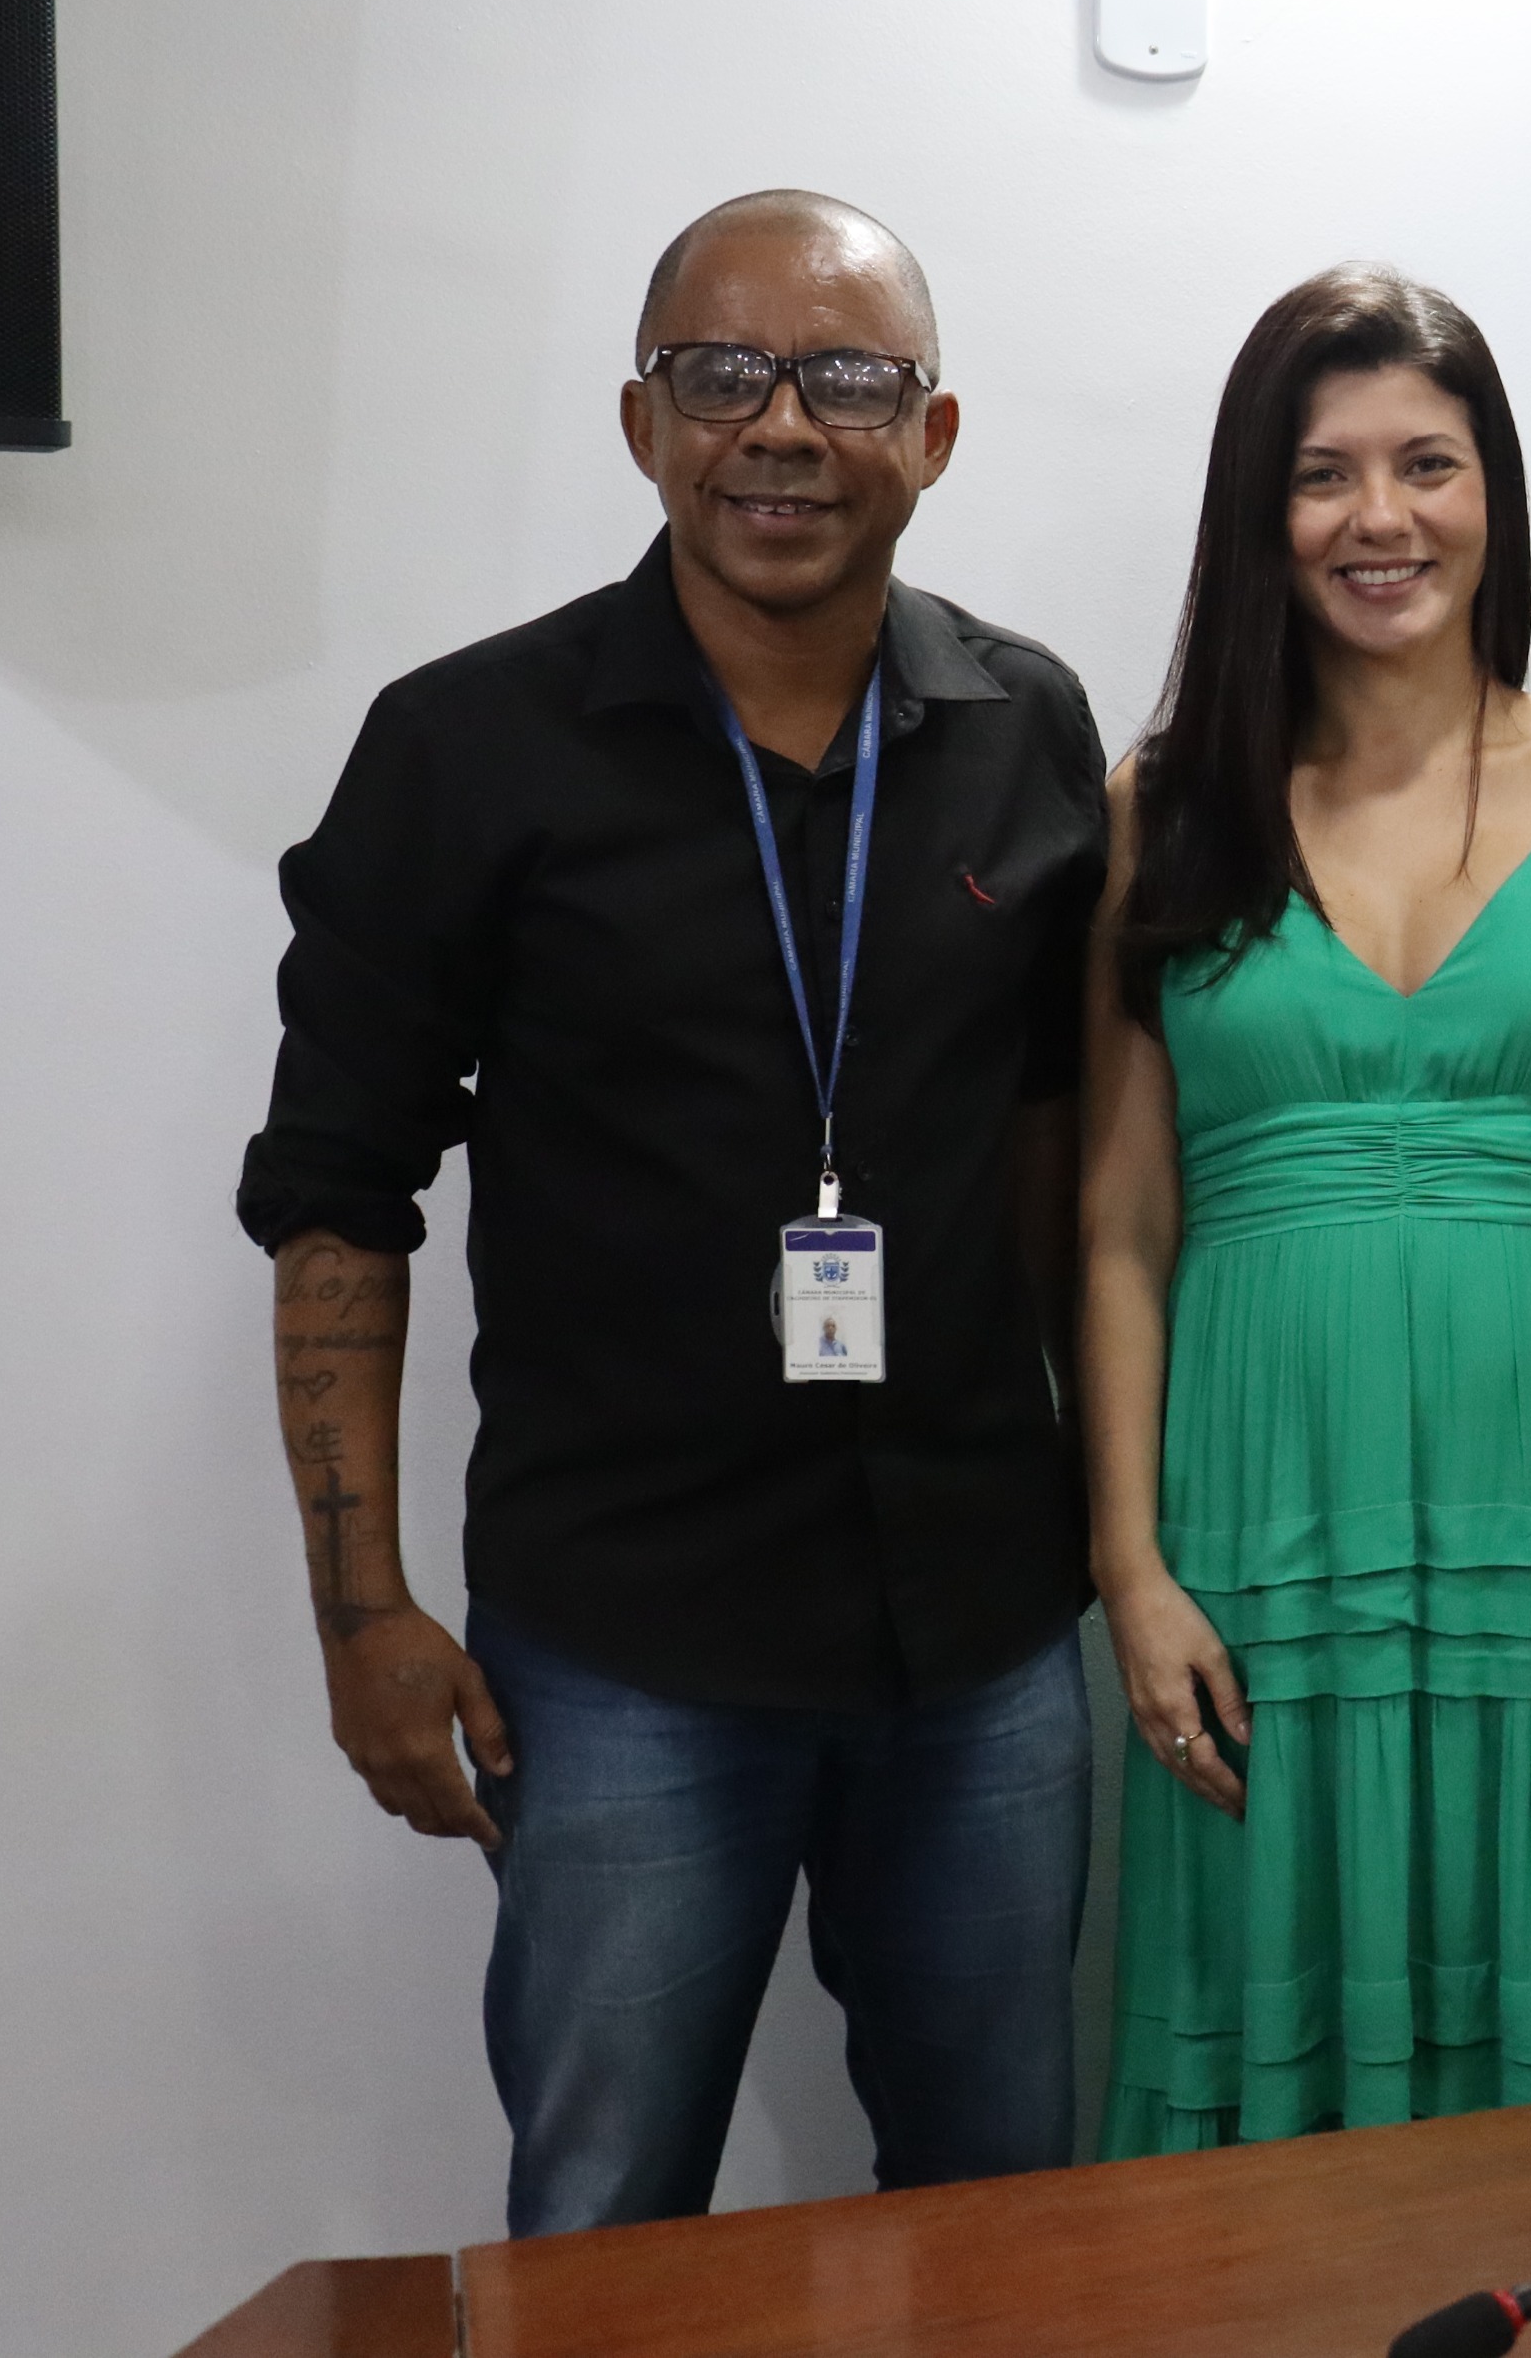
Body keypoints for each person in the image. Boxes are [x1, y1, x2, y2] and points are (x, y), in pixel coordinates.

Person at [239, 192, 1108, 2234]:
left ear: (935, 433)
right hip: (627, 1644)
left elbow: (1066, 1159)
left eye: (849, 379)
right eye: (722, 375)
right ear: (642, 422)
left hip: (981, 1630)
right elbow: (339, 1196)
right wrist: (362, 1614)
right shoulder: (467, 749)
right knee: (604, 2228)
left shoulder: (1030, 728)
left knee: (1004, 2219)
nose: (781, 426)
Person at [1082, 266, 1531, 2152]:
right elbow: (1123, 1222)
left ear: (1496, 496)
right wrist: (1133, 1569)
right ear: (1260, 513)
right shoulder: (1163, 805)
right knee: (1282, 2056)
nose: (1378, 517)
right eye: (1323, 473)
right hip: (1261, 1517)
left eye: (1428, 464)